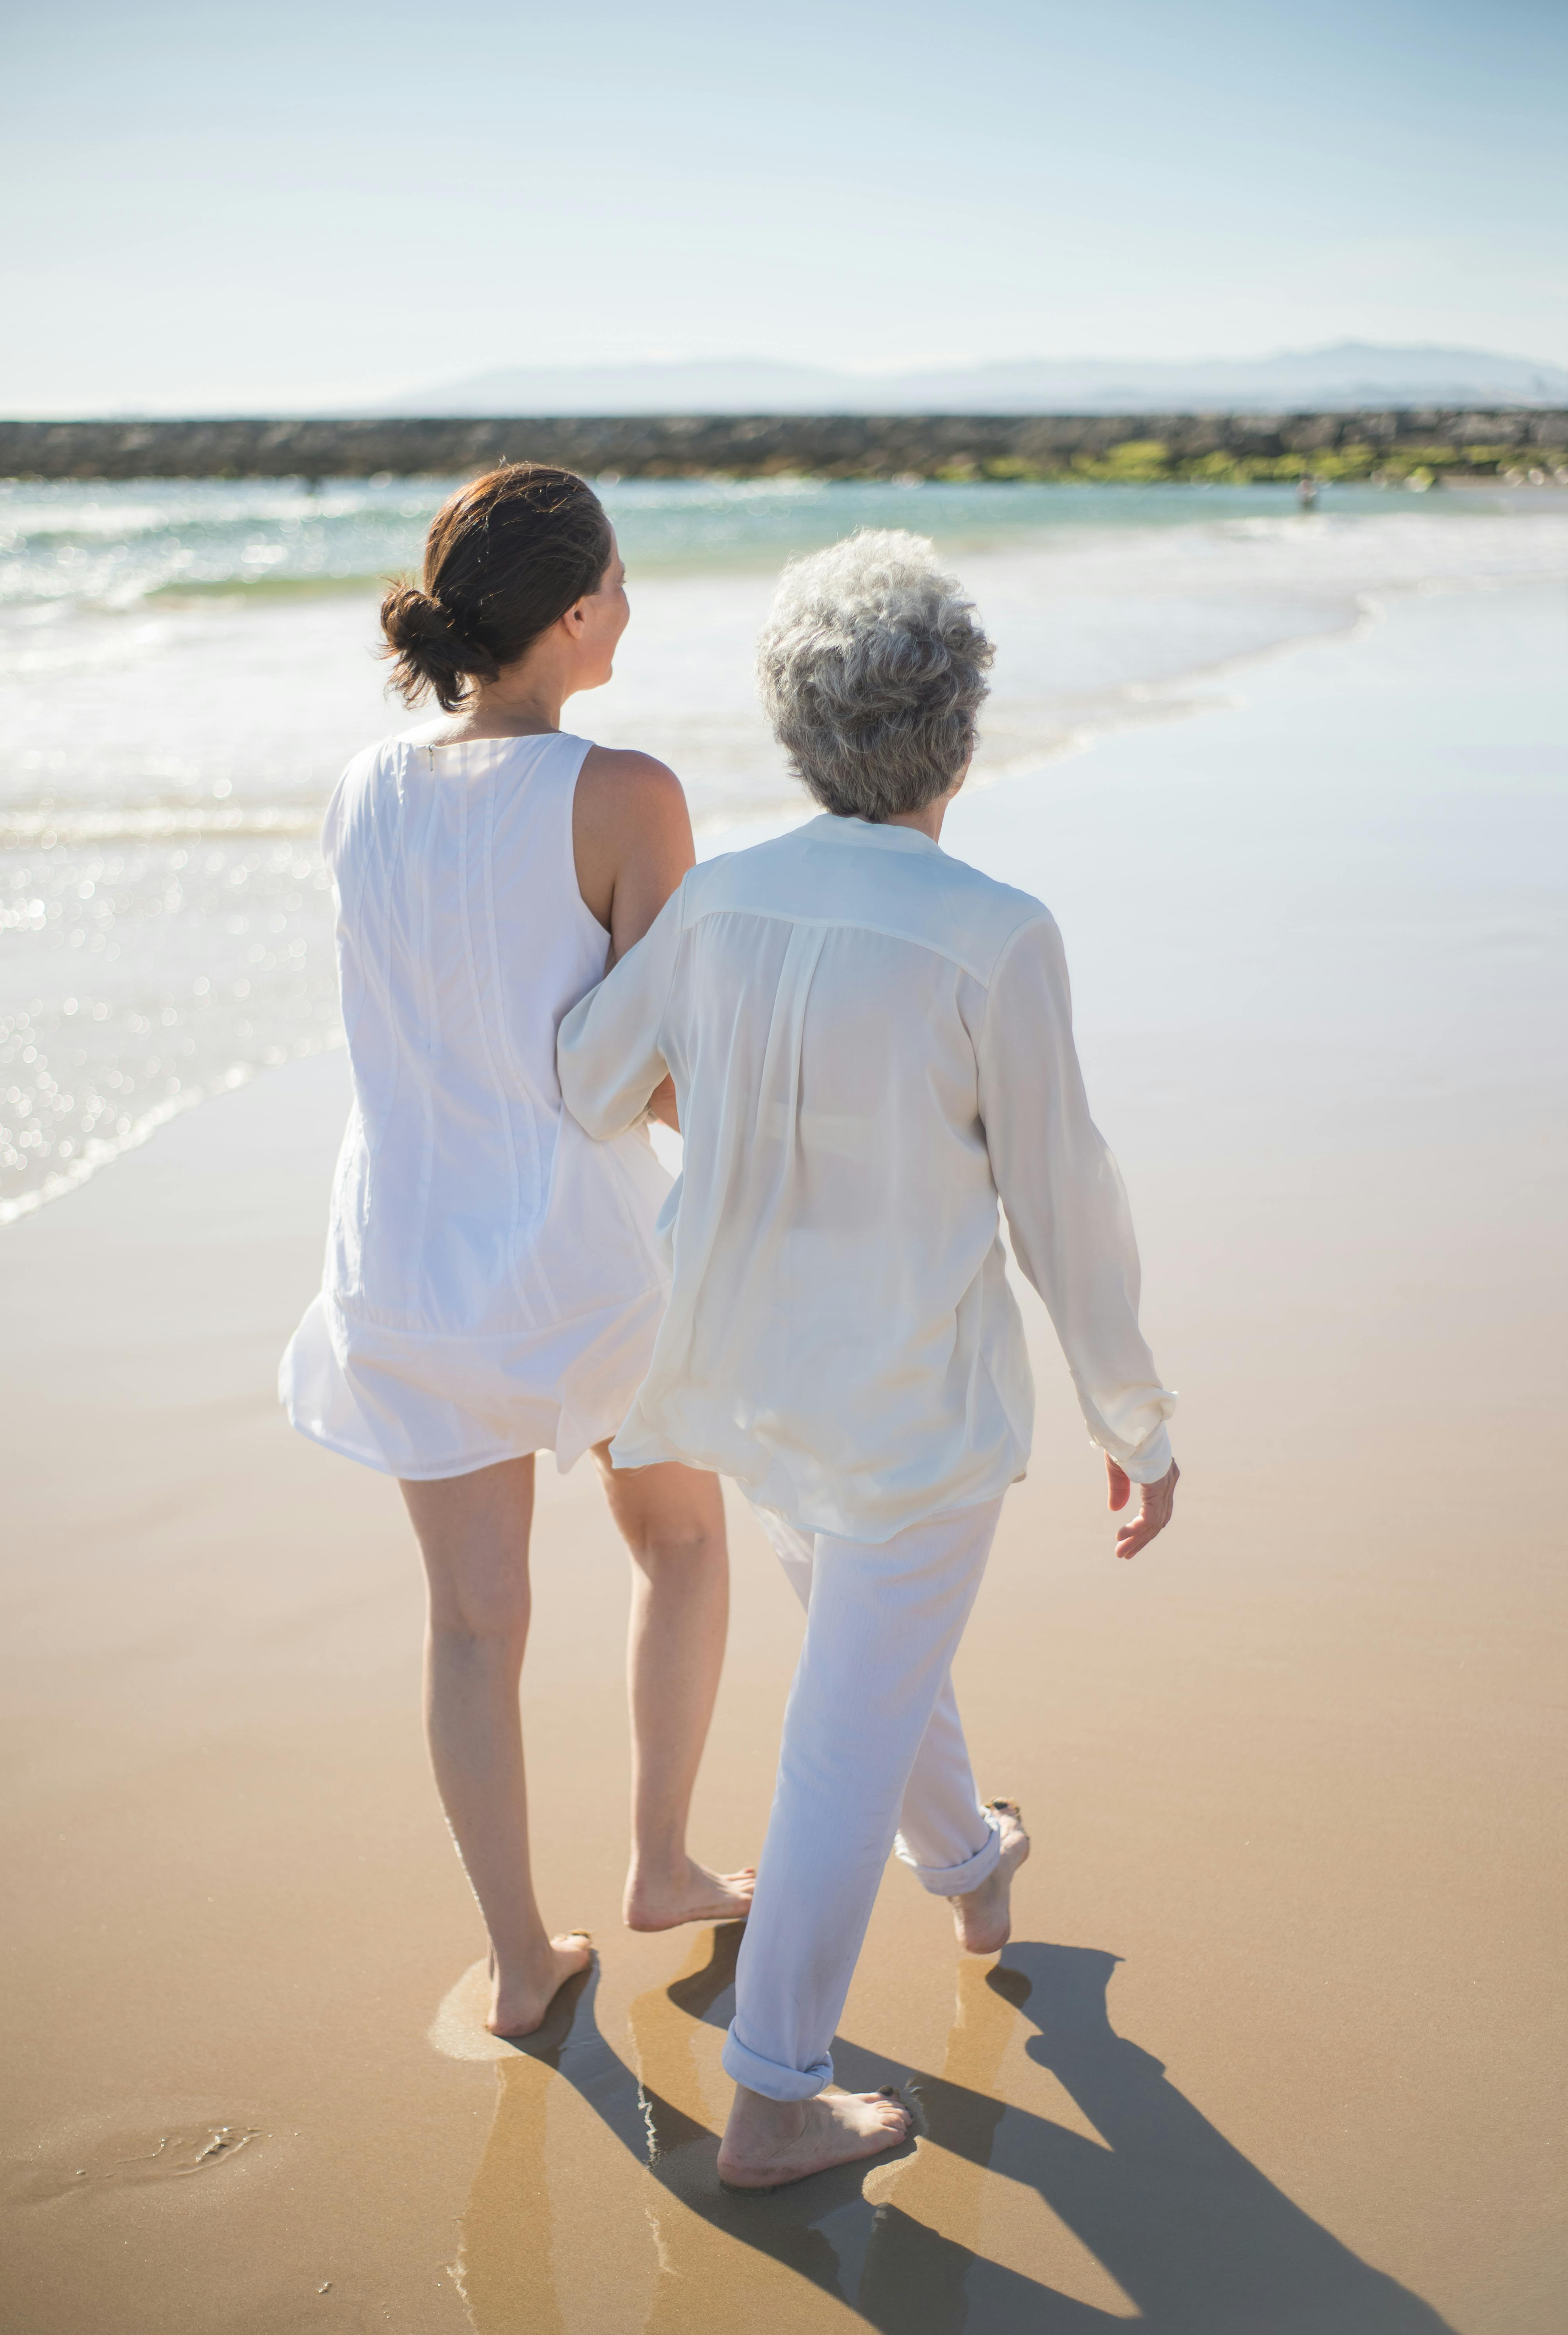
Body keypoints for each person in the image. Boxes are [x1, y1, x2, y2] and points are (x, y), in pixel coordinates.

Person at [558, 529, 1178, 2187]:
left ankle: (971, 1861)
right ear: (957, 733)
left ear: (792, 728)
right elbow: (1065, 1203)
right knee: (843, 1715)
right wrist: (1137, 1416)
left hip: (745, 1378)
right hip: (909, 1399)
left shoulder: (719, 905)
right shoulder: (994, 931)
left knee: (861, 1655)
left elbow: (588, 1080)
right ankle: (771, 2091)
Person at [280, 464, 752, 2039]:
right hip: (579, 1255)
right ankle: (665, 1863)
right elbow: (654, 1067)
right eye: (618, 581)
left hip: (403, 1258)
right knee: (679, 1543)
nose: (630, 607)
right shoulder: (625, 793)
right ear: (568, 613)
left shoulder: (361, 786)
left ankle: (516, 1963)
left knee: (473, 1623)